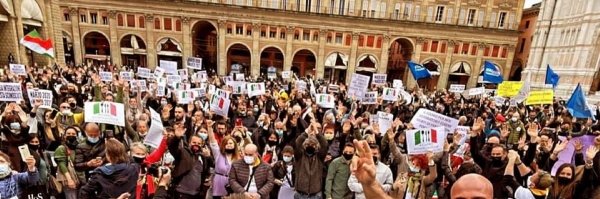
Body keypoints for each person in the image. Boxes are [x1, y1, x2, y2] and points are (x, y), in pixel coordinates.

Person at [168, 122, 206, 198]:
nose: (196, 144)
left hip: (196, 194)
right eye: (194, 142)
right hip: (181, 192)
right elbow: (173, 147)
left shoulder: (203, 157)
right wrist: (176, 137)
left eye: (199, 143)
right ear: (189, 143)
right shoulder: (183, 152)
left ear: (202, 145)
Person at [207, 119, 241, 198]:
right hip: (219, 184)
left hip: (232, 186)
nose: (229, 145)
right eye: (226, 143)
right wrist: (209, 128)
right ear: (223, 145)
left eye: (230, 143)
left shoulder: (238, 158)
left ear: (234, 145)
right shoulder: (218, 154)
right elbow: (213, 142)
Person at [294, 122, 328, 198]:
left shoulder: (319, 157)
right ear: (304, 146)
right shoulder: (299, 156)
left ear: (316, 146)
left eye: (313, 145)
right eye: (308, 144)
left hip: (315, 195)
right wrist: (307, 132)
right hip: (300, 194)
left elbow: (324, 144)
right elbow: (298, 142)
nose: (310, 146)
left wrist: (317, 132)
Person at [54, 126, 80, 199]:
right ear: (64, 136)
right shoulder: (61, 148)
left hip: (79, 179)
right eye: (68, 133)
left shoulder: (78, 147)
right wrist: (69, 180)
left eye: (73, 134)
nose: (71, 135)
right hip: (69, 180)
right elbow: (62, 165)